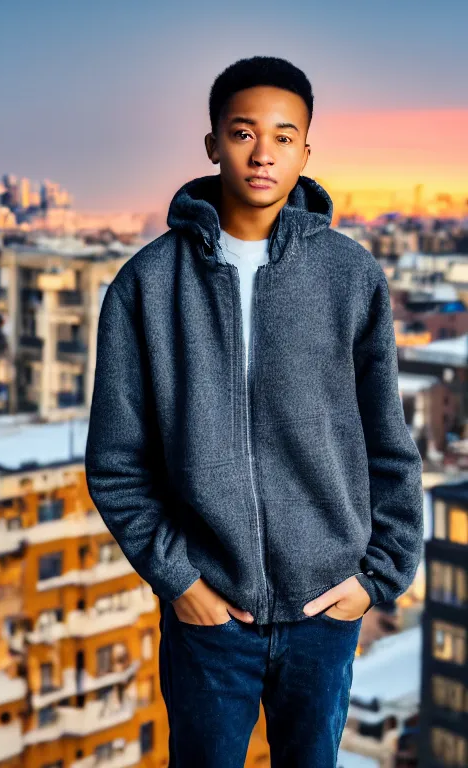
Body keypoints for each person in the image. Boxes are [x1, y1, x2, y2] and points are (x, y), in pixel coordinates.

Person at [85, 55, 424, 767]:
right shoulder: (147, 284)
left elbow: (388, 444)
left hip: (324, 612)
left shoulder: (350, 276)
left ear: (306, 149)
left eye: (283, 134)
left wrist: (375, 582)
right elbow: (118, 463)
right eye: (242, 132)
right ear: (212, 142)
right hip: (209, 618)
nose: (262, 152)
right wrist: (180, 582)